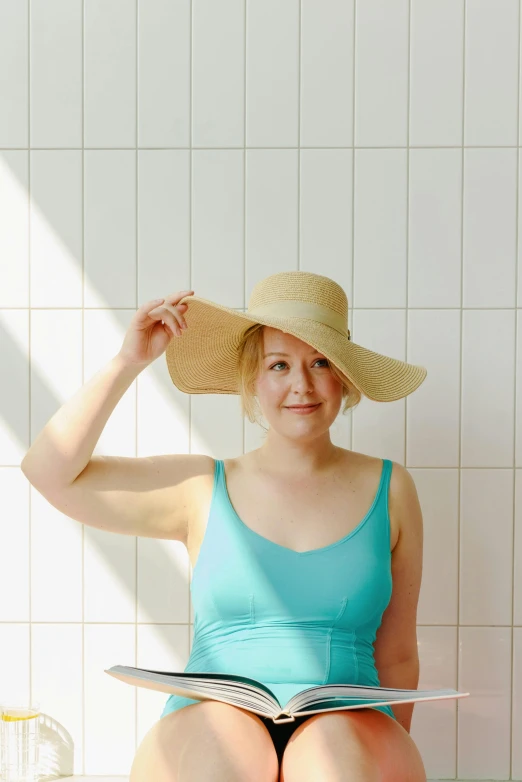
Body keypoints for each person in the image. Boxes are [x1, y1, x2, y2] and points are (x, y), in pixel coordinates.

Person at [21, 271, 428, 782]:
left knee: (336, 758)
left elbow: (397, 654)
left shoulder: (390, 488)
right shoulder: (200, 486)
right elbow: (48, 472)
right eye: (279, 364)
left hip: (350, 724)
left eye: (320, 362)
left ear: (342, 377)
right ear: (252, 379)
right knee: (223, 758)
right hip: (210, 717)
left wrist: (385, 753)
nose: (301, 385)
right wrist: (129, 363)